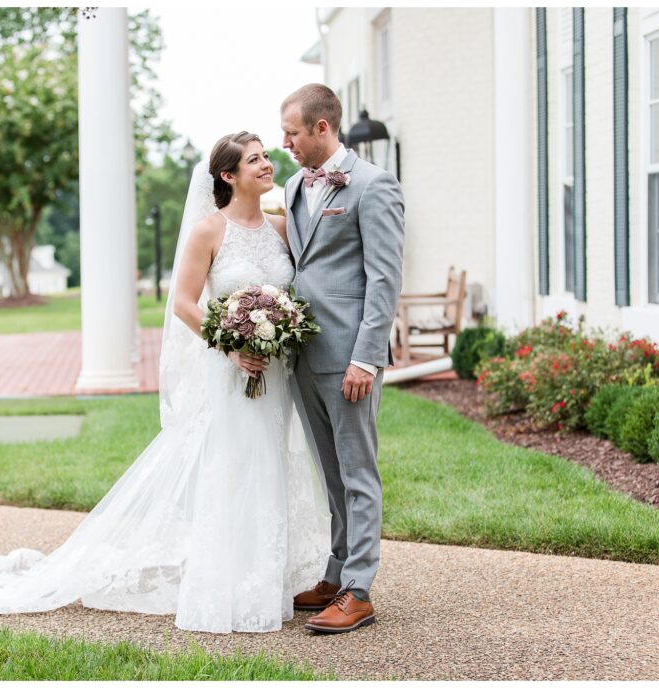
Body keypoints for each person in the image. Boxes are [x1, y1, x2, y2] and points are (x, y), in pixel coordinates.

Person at [0, 132, 331, 634]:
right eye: (255, 159)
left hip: (277, 376)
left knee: (274, 464)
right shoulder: (208, 232)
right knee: (236, 466)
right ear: (228, 175)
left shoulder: (281, 228)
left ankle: (266, 578)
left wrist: (277, 332)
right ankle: (230, 584)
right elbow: (183, 303)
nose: (267, 164)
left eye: (267, 155)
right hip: (232, 373)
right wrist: (232, 345)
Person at [281, 84, 405, 634]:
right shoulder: (291, 186)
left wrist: (367, 359)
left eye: (292, 132)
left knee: (358, 473)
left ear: (322, 128)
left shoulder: (375, 187)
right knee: (331, 474)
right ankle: (335, 573)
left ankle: (359, 591)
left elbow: (384, 279)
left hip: (350, 357)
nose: (285, 142)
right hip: (303, 355)